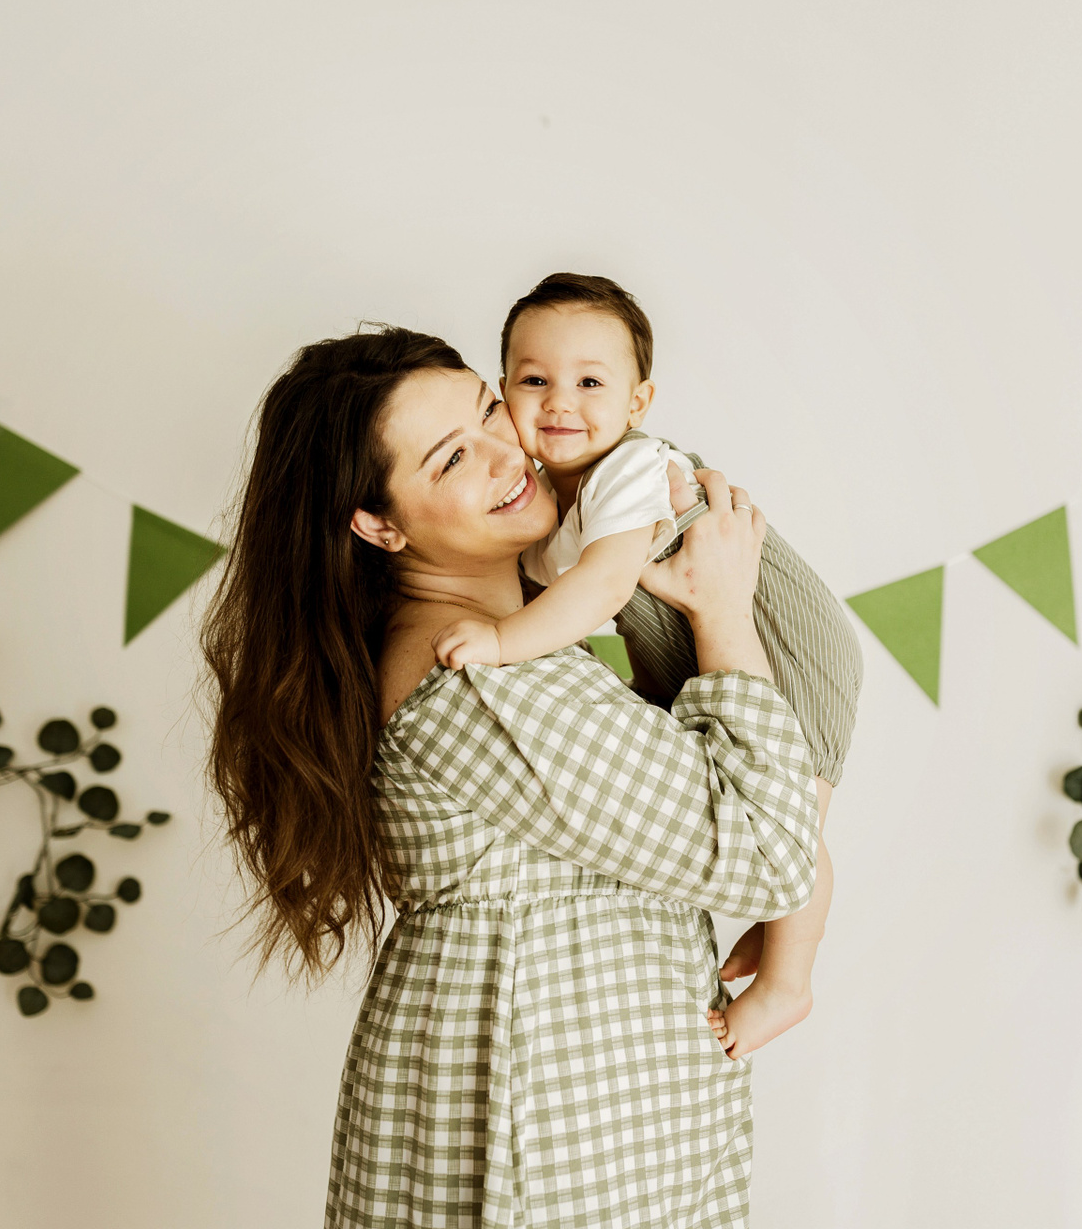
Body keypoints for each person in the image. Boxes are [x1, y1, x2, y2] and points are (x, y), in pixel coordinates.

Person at [202, 326, 821, 1227]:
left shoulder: (519, 639)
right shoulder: (479, 681)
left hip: (588, 1116)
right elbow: (769, 853)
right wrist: (722, 606)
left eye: (491, 411)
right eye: (453, 458)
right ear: (379, 525)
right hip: (553, 1130)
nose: (507, 455)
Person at [432, 273, 862, 1058]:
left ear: (638, 403)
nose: (561, 403)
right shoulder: (543, 505)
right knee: (763, 812)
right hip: (688, 648)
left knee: (795, 821)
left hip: (784, 637)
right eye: (535, 381)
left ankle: (787, 983)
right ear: (504, 392)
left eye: (590, 383)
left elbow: (602, 586)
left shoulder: (631, 471)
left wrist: (498, 643)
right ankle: (782, 928)